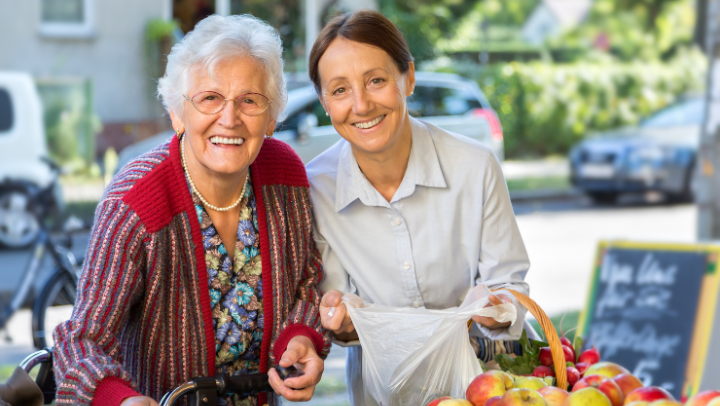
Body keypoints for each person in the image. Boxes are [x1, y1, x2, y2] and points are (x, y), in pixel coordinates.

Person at [52, 14, 330, 406]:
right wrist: (121, 400)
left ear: (271, 117)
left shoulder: (284, 175)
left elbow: (306, 279)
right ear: (178, 114)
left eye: (249, 100)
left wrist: (299, 336)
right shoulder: (134, 200)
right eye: (209, 98)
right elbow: (82, 340)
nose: (230, 118)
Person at [305, 10, 535, 405]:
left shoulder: (474, 166)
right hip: (385, 394)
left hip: (487, 388)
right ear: (325, 101)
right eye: (340, 90)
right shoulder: (316, 187)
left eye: (376, 81)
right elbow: (340, 311)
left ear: (408, 78)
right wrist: (342, 322)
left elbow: (510, 287)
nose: (360, 105)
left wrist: (495, 307)